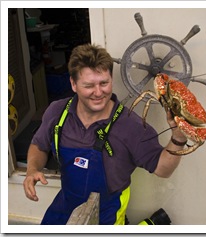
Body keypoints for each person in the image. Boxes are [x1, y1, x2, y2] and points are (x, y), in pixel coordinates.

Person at [23, 44, 187, 225]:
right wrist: (32, 169)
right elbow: (39, 145)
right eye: (89, 85)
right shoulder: (57, 113)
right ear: (73, 84)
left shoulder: (131, 125)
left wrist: (178, 138)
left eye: (104, 83)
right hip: (66, 206)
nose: (99, 92)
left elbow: (164, 169)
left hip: (108, 212)